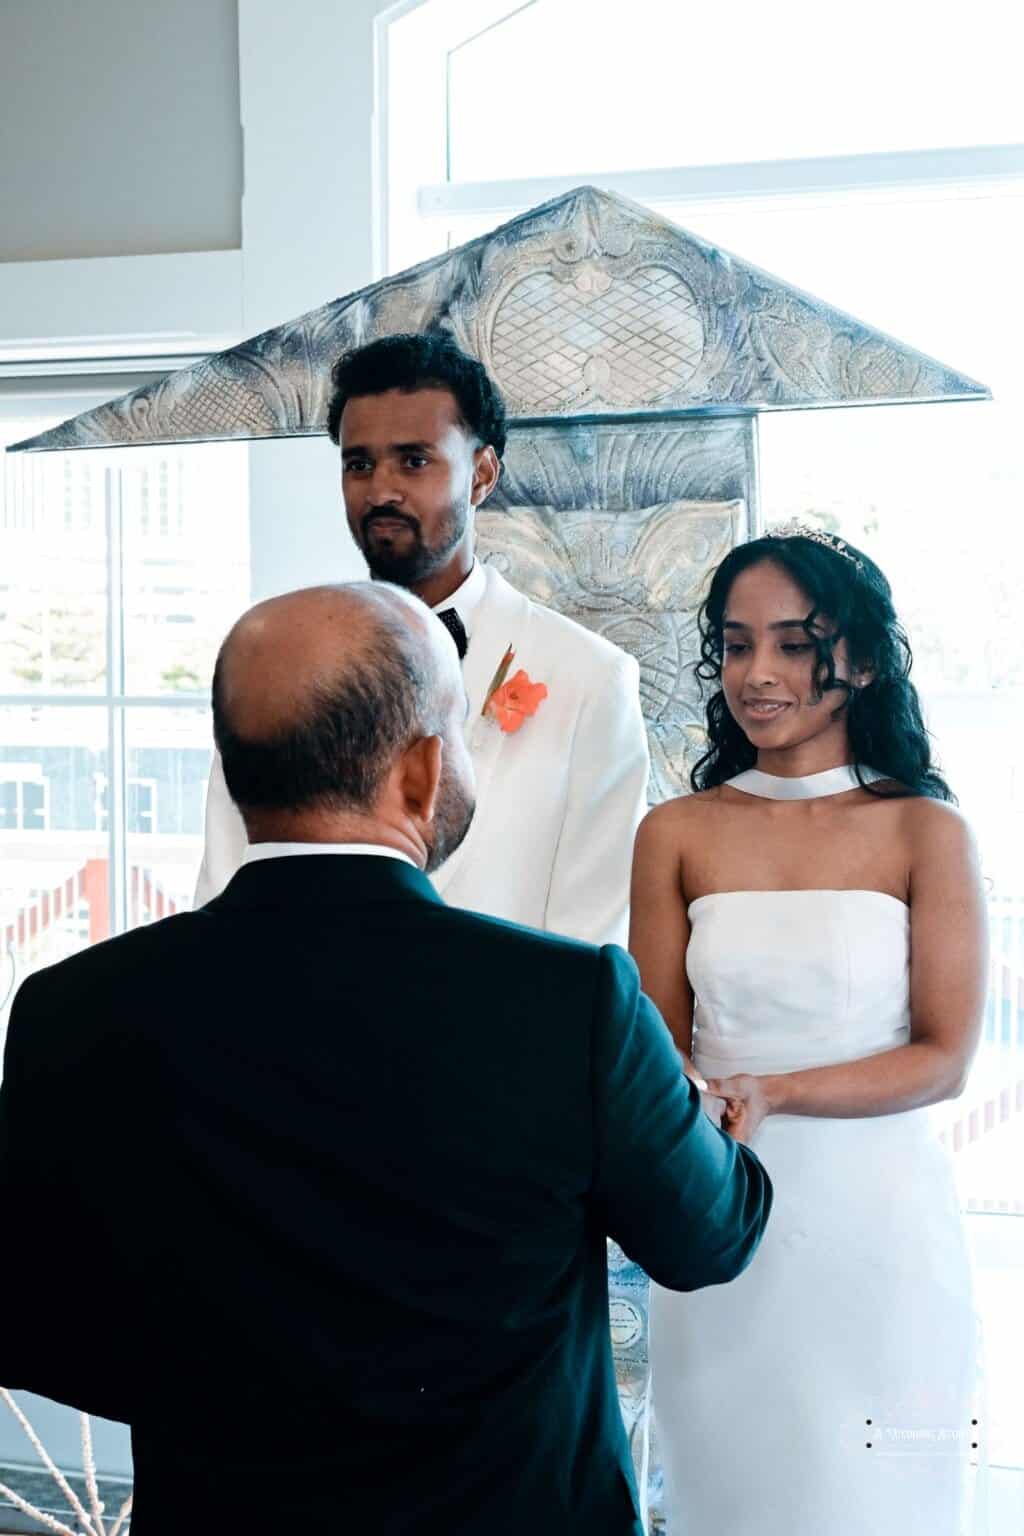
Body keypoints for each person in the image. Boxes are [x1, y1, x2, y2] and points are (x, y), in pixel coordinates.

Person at [0, 582, 771, 1536]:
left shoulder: (71, 1010)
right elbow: (708, 1239)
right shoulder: (573, 1006)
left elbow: (34, 1326)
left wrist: (228, 1395)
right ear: (418, 773)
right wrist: (715, 1127)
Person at [629, 523, 987, 1535]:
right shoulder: (676, 832)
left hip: (879, 1232)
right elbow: (652, 1045)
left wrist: (777, 1090)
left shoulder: (926, 830)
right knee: (729, 1497)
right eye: (737, 644)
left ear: (861, 660)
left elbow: (945, 1057)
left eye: (794, 643)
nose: (759, 672)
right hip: (725, 1226)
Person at [194, 332, 650, 946]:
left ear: (482, 473)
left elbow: (597, 928)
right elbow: (225, 888)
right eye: (359, 464)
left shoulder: (591, 678)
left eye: (414, 460)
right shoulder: (277, 663)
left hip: (503, 1033)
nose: (381, 490)